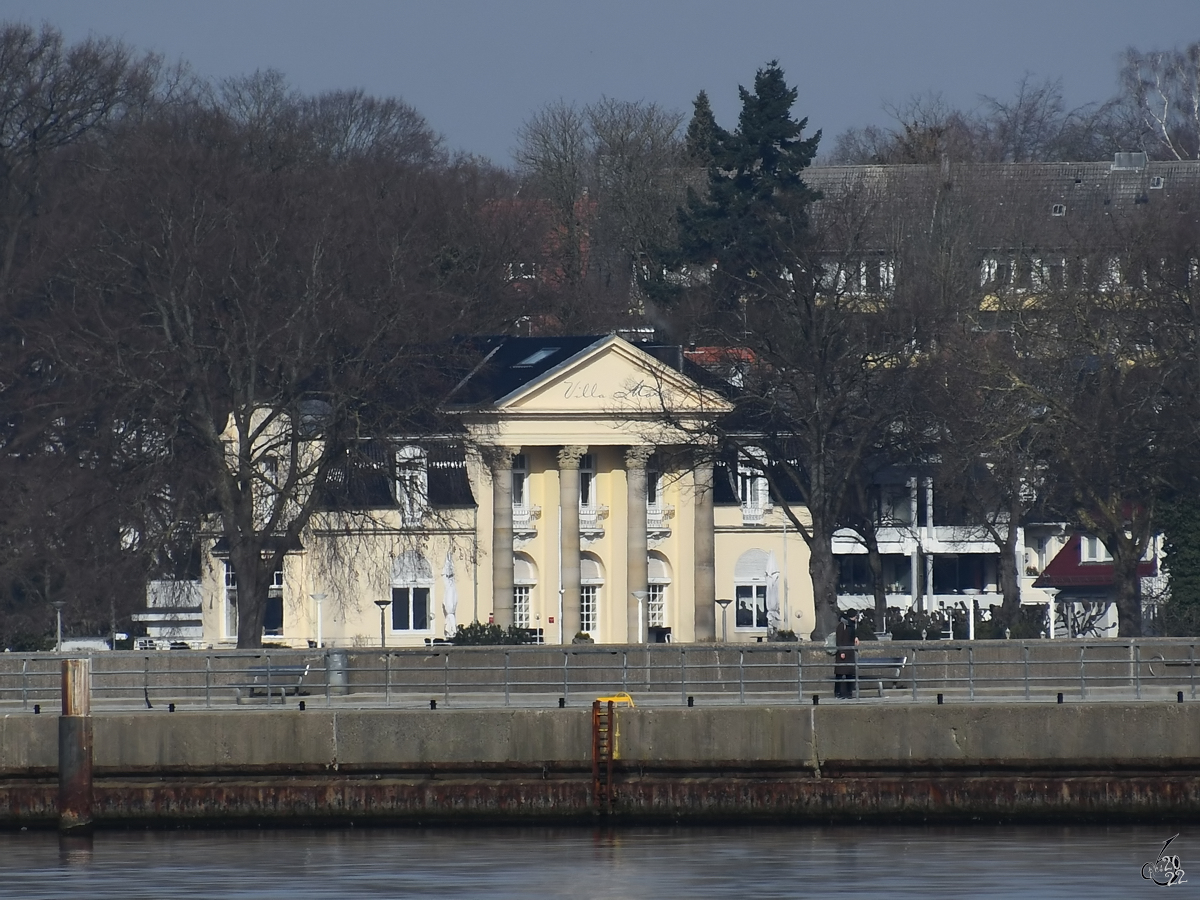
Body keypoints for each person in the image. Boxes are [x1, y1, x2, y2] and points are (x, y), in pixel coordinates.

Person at [834, 610, 861, 699]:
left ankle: (849, 693)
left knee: (850, 674)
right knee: (840, 674)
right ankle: (838, 693)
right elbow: (839, 639)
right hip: (843, 652)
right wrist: (841, 651)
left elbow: (852, 635)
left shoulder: (852, 625)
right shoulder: (843, 625)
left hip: (849, 652)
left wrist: (856, 637)